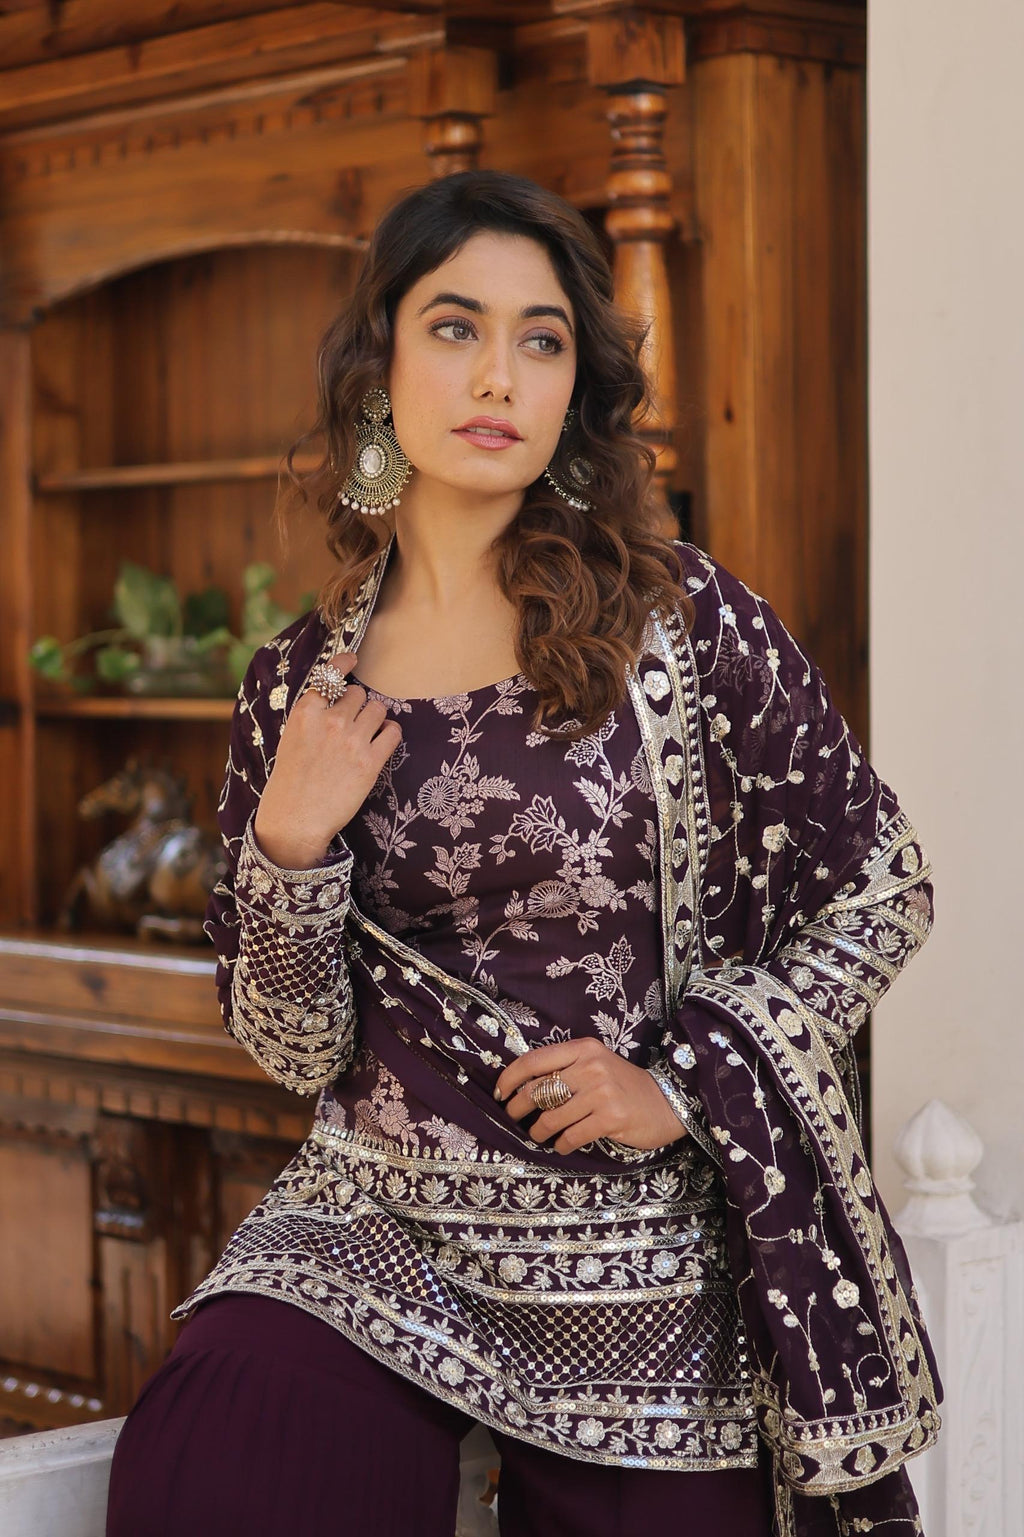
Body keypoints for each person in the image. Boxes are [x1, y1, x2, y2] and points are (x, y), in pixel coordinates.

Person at [106, 170, 939, 1537]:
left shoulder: (683, 626)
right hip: (375, 1228)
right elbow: (293, 1043)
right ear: (380, 364)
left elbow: (882, 884)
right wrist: (290, 838)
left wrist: (685, 1083)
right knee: (218, 1453)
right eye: (454, 327)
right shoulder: (297, 684)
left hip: (640, 1250)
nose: (499, 372)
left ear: (574, 389)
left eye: (540, 338)